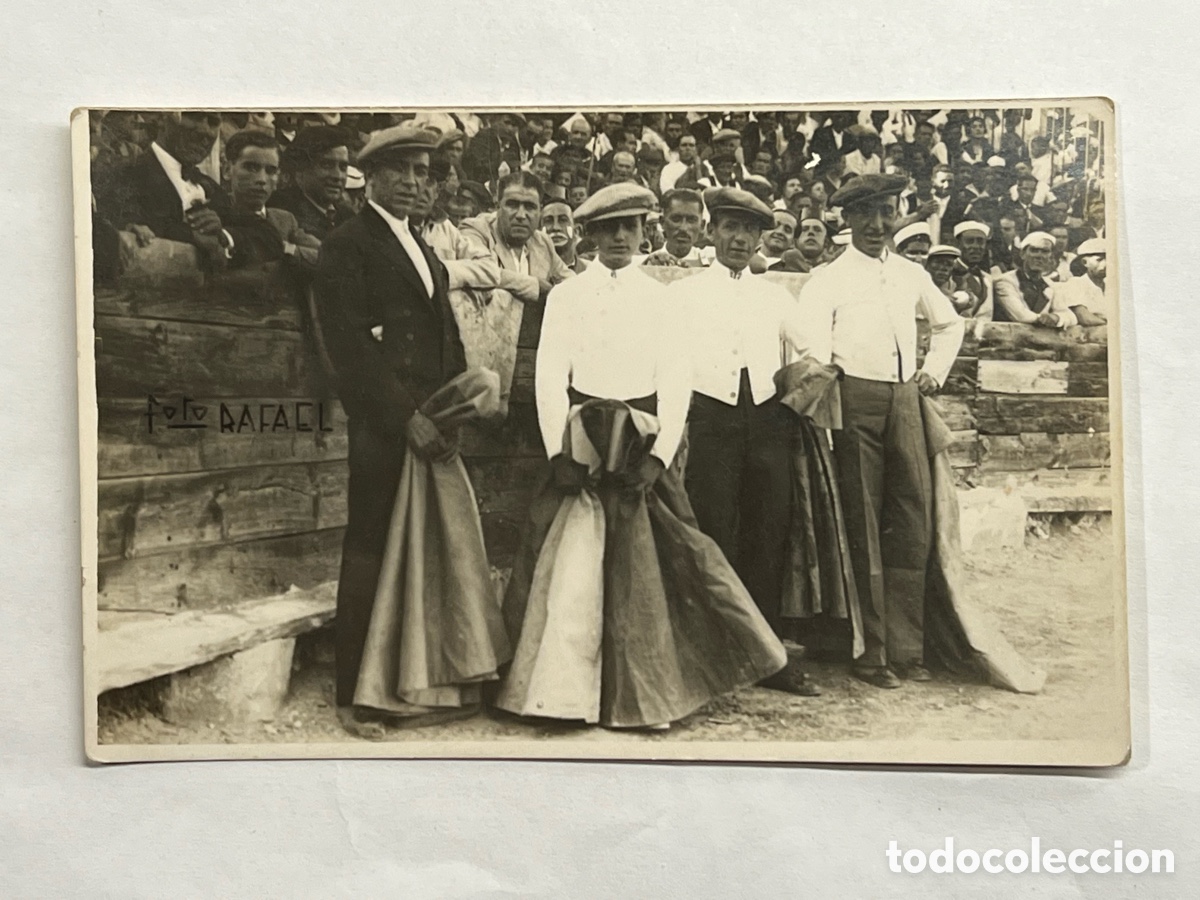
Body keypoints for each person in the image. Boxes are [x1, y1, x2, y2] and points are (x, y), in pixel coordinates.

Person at [497, 183, 788, 729]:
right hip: (583, 441)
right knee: (575, 567)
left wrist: (658, 454)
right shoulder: (567, 297)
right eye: (608, 229)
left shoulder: (661, 298)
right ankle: (562, 695)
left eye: (629, 227)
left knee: (643, 575)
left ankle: (644, 693)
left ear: (641, 232)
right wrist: (559, 451)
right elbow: (550, 378)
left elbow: (675, 380)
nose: (619, 238)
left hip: (639, 441)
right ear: (590, 235)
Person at [311, 124, 473, 736]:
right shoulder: (347, 245)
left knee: (424, 549)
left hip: (433, 423)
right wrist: (406, 417)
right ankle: (356, 695)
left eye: (422, 172)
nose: (412, 182)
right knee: (370, 548)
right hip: (387, 426)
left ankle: (415, 682)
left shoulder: (423, 249)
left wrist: (452, 411)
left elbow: (447, 337)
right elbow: (350, 348)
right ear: (371, 177)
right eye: (400, 171)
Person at [799, 173, 965, 689]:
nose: (876, 225)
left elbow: (950, 324)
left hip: (905, 401)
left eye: (886, 213)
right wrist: (828, 404)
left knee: (911, 520)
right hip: (853, 400)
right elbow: (812, 350)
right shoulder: (827, 278)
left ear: (897, 215)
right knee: (863, 523)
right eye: (865, 214)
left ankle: (908, 648)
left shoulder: (912, 273)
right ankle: (871, 652)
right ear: (847, 218)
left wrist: (933, 371)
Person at [678, 186, 831, 697]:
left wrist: (796, 391)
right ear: (712, 231)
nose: (740, 239)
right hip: (708, 419)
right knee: (714, 528)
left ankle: (767, 656)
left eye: (750, 230)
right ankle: (716, 650)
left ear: (761, 238)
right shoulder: (685, 294)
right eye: (730, 228)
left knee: (768, 534)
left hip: (767, 421)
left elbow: (815, 346)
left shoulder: (774, 295)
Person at [93, 111, 235, 268]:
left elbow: (246, 230)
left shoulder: (213, 189)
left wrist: (223, 235)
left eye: (213, 122)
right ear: (161, 119)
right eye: (193, 116)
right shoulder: (121, 176)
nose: (205, 131)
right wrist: (191, 235)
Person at [459, 171, 574, 349]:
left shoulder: (542, 242)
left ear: (540, 211)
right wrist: (537, 286)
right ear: (498, 206)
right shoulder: (475, 230)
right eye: (512, 205)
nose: (521, 215)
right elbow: (482, 271)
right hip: (485, 346)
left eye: (529, 207)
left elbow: (571, 283)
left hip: (532, 348)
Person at [220, 130, 321, 269]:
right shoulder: (217, 214)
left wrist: (284, 249)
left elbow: (327, 256)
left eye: (271, 171)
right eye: (251, 168)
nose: (262, 179)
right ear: (227, 170)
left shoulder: (284, 220)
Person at [267, 126, 355, 240]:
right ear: (300, 170)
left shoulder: (346, 215)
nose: (337, 176)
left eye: (343, 167)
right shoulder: (282, 214)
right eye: (326, 165)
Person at [992, 231, 1078, 327]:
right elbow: (1020, 315)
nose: (1039, 256)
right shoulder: (1006, 281)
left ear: (1050, 257)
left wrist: (1056, 318)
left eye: (1045, 251)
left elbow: (1071, 316)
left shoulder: (1050, 285)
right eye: (1034, 250)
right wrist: (1044, 319)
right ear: (1022, 254)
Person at [640, 188, 712, 267]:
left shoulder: (713, 261)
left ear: (702, 225)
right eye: (676, 219)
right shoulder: (648, 263)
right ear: (662, 222)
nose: (683, 228)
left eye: (691, 220)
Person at [462, 112, 527, 186]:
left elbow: (515, 166)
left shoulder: (513, 143)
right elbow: (478, 168)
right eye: (507, 122)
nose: (510, 128)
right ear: (495, 121)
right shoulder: (483, 137)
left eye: (515, 125)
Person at [1055, 237, 1108, 325]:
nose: (1106, 264)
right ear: (1084, 262)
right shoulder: (1076, 284)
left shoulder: (1112, 286)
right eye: (1099, 260)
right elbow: (1085, 318)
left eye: (1109, 259)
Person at [952, 220, 994, 317]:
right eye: (969, 241)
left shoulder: (988, 279)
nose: (975, 246)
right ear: (957, 244)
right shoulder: (949, 273)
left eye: (980, 242)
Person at [540, 197, 588, 273]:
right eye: (548, 221)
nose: (555, 227)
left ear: (576, 231)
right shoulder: (526, 270)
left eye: (563, 220)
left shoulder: (590, 271)